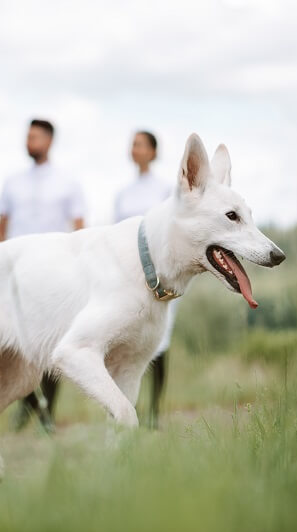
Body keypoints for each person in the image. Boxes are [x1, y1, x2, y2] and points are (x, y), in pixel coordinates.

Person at [0, 118, 85, 433]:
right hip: (15, 272)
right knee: (18, 344)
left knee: (51, 343)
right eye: (27, 136)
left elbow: (79, 229)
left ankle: (48, 410)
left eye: (34, 137)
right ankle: (28, 406)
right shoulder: (12, 182)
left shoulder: (67, 182)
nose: (29, 141)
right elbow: (2, 227)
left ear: (48, 141)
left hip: (53, 273)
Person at [114, 130, 176, 428]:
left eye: (139, 144)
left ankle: (155, 411)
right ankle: (126, 408)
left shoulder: (165, 190)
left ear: (152, 151)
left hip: (159, 274)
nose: (133, 149)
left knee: (159, 339)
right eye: (132, 144)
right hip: (127, 275)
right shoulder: (123, 193)